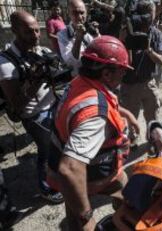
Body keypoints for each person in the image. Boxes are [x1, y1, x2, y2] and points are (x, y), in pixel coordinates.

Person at [47, 36, 139, 230]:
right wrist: (87, 218)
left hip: (95, 171)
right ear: (106, 73)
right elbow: (70, 170)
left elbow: (95, 100)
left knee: (77, 211)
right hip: (93, 176)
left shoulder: (79, 82)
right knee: (123, 201)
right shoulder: (95, 118)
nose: (124, 75)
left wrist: (125, 113)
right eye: (122, 70)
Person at [0, 11, 63, 203]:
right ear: (15, 31)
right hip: (34, 116)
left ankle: (58, 175)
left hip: (53, 105)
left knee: (59, 145)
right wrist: (34, 80)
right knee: (46, 151)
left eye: (37, 31)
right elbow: (17, 103)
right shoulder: (5, 63)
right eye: (29, 32)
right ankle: (46, 189)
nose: (36, 36)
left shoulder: (39, 50)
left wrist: (55, 69)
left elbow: (58, 77)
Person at [119, 0, 162, 126]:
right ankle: (131, 143)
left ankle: (153, 138)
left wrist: (149, 51)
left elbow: (160, 60)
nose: (149, 18)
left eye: (151, 14)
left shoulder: (156, 34)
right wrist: (122, 41)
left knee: (153, 117)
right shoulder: (127, 31)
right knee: (129, 122)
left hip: (148, 83)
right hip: (129, 85)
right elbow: (124, 62)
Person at [57, 0, 93, 76]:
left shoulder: (90, 31)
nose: (79, 17)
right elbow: (71, 62)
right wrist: (78, 39)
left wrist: (97, 35)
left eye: (82, 13)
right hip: (77, 79)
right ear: (69, 14)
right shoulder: (63, 35)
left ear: (86, 13)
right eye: (75, 13)